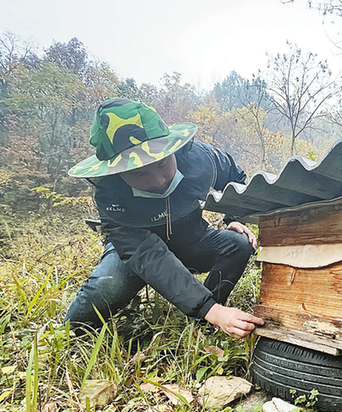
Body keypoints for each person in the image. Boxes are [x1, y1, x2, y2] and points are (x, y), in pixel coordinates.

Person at [65, 98, 264, 339]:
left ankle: (206, 322)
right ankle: (67, 336)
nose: (158, 180)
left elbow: (236, 177)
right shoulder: (109, 193)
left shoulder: (201, 159)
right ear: (117, 172)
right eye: (139, 173)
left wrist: (233, 216)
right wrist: (212, 310)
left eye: (162, 164)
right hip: (136, 255)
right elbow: (147, 256)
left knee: (239, 243)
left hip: (192, 239)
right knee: (108, 285)